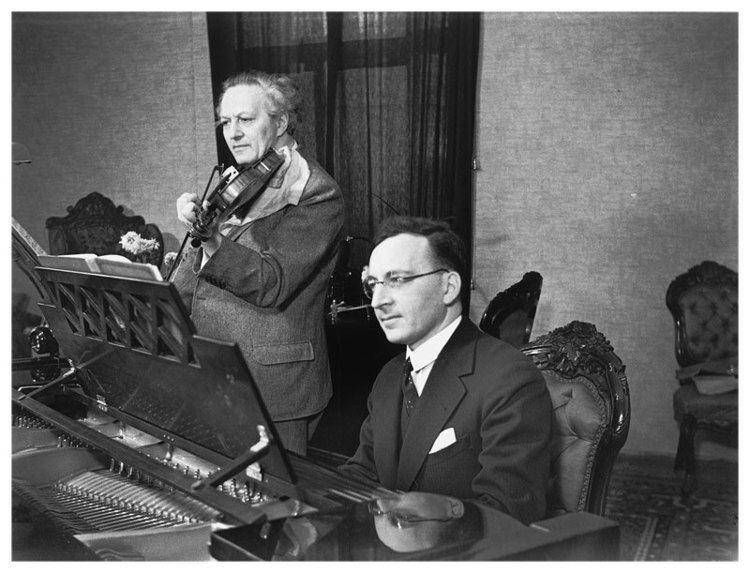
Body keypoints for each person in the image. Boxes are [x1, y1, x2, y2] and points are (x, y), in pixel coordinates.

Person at [171, 70, 345, 455]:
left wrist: (213, 237)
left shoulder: (316, 192)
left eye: (246, 120)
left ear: (280, 122)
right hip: (217, 372)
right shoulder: (242, 178)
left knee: (276, 503)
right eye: (226, 122)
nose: (233, 133)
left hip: (273, 386)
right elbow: (196, 276)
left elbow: (271, 282)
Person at [339, 216, 551, 524]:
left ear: (448, 287)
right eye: (373, 284)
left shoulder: (511, 379)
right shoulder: (389, 375)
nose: (378, 301)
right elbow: (363, 472)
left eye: (397, 280)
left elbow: (506, 514)